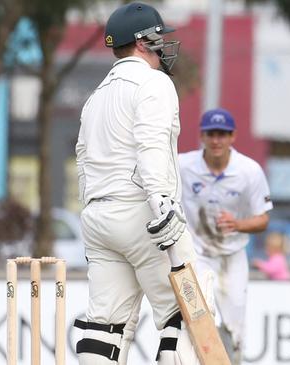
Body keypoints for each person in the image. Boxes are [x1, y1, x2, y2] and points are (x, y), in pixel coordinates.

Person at [74, 2, 204, 364]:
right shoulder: (153, 82)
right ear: (143, 42)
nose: (164, 45)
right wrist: (161, 201)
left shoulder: (95, 96)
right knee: (185, 314)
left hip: (98, 218)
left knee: (105, 325)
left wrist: (92, 209)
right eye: (159, 37)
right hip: (144, 214)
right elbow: (151, 144)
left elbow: (82, 158)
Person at [179, 108, 273, 364]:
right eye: (211, 134)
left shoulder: (249, 171)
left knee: (234, 325)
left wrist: (237, 224)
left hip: (233, 255)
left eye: (222, 134)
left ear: (233, 136)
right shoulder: (183, 165)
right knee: (201, 317)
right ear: (202, 136)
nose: (216, 140)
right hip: (198, 254)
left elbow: (263, 219)